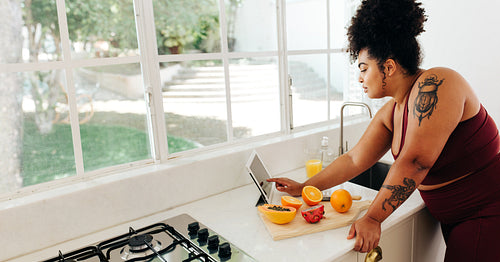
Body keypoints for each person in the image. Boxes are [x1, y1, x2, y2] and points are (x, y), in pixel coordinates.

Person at [267, 0, 500, 261]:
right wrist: (305, 187)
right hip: (456, 216)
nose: (360, 79)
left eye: (364, 69)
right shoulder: (393, 111)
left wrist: (373, 217)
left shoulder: (437, 84)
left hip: (486, 211)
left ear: (388, 67)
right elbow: (354, 159)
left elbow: (415, 162)